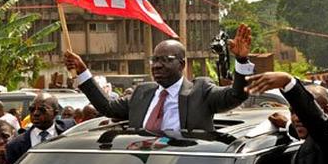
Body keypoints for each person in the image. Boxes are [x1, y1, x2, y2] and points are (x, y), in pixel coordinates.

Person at [64, 24, 255, 132]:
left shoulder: (201, 91)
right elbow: (107, 107)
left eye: (165, 60)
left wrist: (241, 59)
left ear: (182, 64)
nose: (156, 65)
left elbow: (236, 95)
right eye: (154, 60)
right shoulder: (142, 93)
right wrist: (83, 72)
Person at [5, 92, 74, 164]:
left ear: (55, 113)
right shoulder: (15, 146)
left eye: (42, 109)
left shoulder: (69, 131)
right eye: (32, 109)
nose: (35, 113)